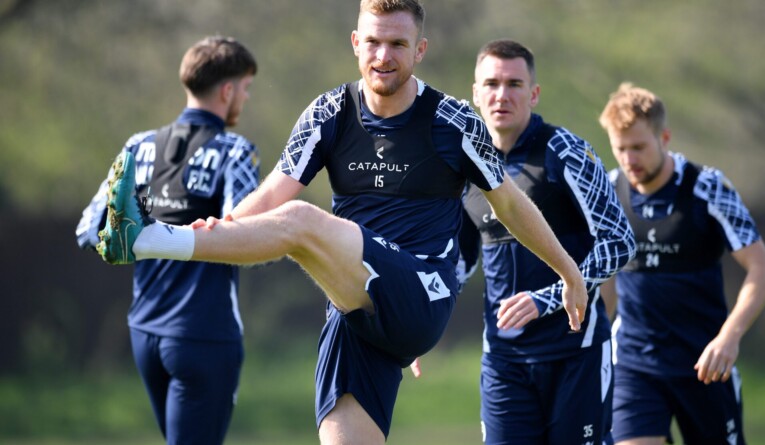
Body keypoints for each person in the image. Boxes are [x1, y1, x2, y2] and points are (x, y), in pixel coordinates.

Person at [92, 1, 590, 444]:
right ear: (355, 43)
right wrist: (220, 230)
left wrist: (569, 272)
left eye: (398, 44)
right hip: (355, 311)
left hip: (423, 291)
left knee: (301, 223)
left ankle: (146, 238)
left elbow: (510, 206)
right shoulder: (329, 112)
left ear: (419, 50)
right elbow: (271, 193)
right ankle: (151, 238)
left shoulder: (454, 121)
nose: (383, 56)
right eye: (373, 42)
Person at [76, 36, 259, 445]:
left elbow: (88, 228)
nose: (245, 99)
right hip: (203, 334)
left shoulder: (137, 146)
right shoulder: (235, 151)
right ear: (227, 90)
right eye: (246, 88)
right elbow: (246, 239)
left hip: (144, 332)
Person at [454, 39, 635, 444]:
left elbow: (620, 242)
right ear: (476, 93)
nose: (502, 95)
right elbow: (459, 260)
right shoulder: (464, 167)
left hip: (576, 353)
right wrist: (418, 324)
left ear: (533, 94)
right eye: (492, 84)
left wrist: (549, 298)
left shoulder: (565, 151)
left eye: (514, 84)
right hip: (503, 360)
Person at [598, 82, 765, 445]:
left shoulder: (707, 188)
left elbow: (762, 269)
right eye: (620, 149)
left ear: (664, 137)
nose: (629, 159)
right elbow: (607, 278)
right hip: (633, 364)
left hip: (705, 364)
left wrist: (729, 338)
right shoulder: (610, 191)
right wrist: (592, 341)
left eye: (638, 147)